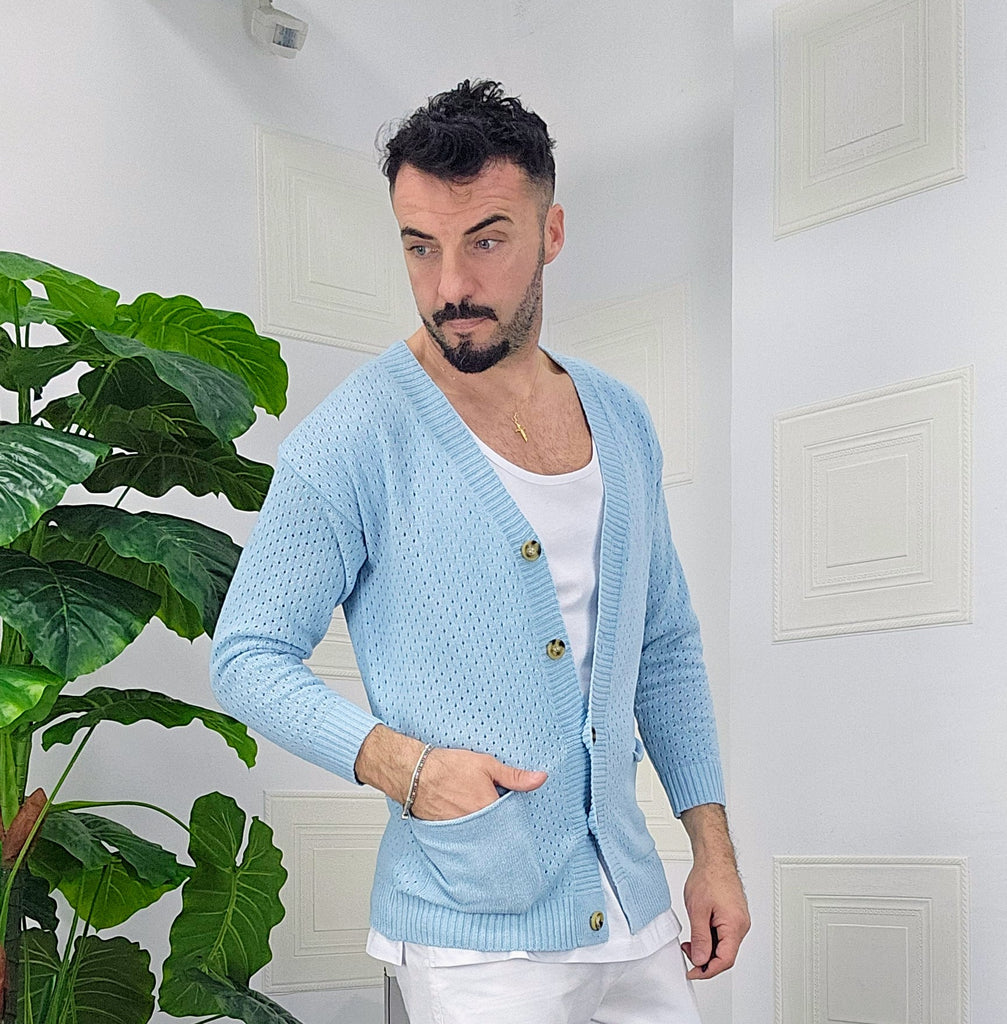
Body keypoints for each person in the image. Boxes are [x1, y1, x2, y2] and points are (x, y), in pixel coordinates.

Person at [210, 79, 749, 1024]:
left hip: (632, 910)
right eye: (420, 246)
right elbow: (247, 656)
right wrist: (406, 768)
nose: (449, 285)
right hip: (473, 937)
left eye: (485, 241)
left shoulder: (620, 418)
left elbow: (663, 646)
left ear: (551, 233)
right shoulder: (356, 436)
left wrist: (712, 850)